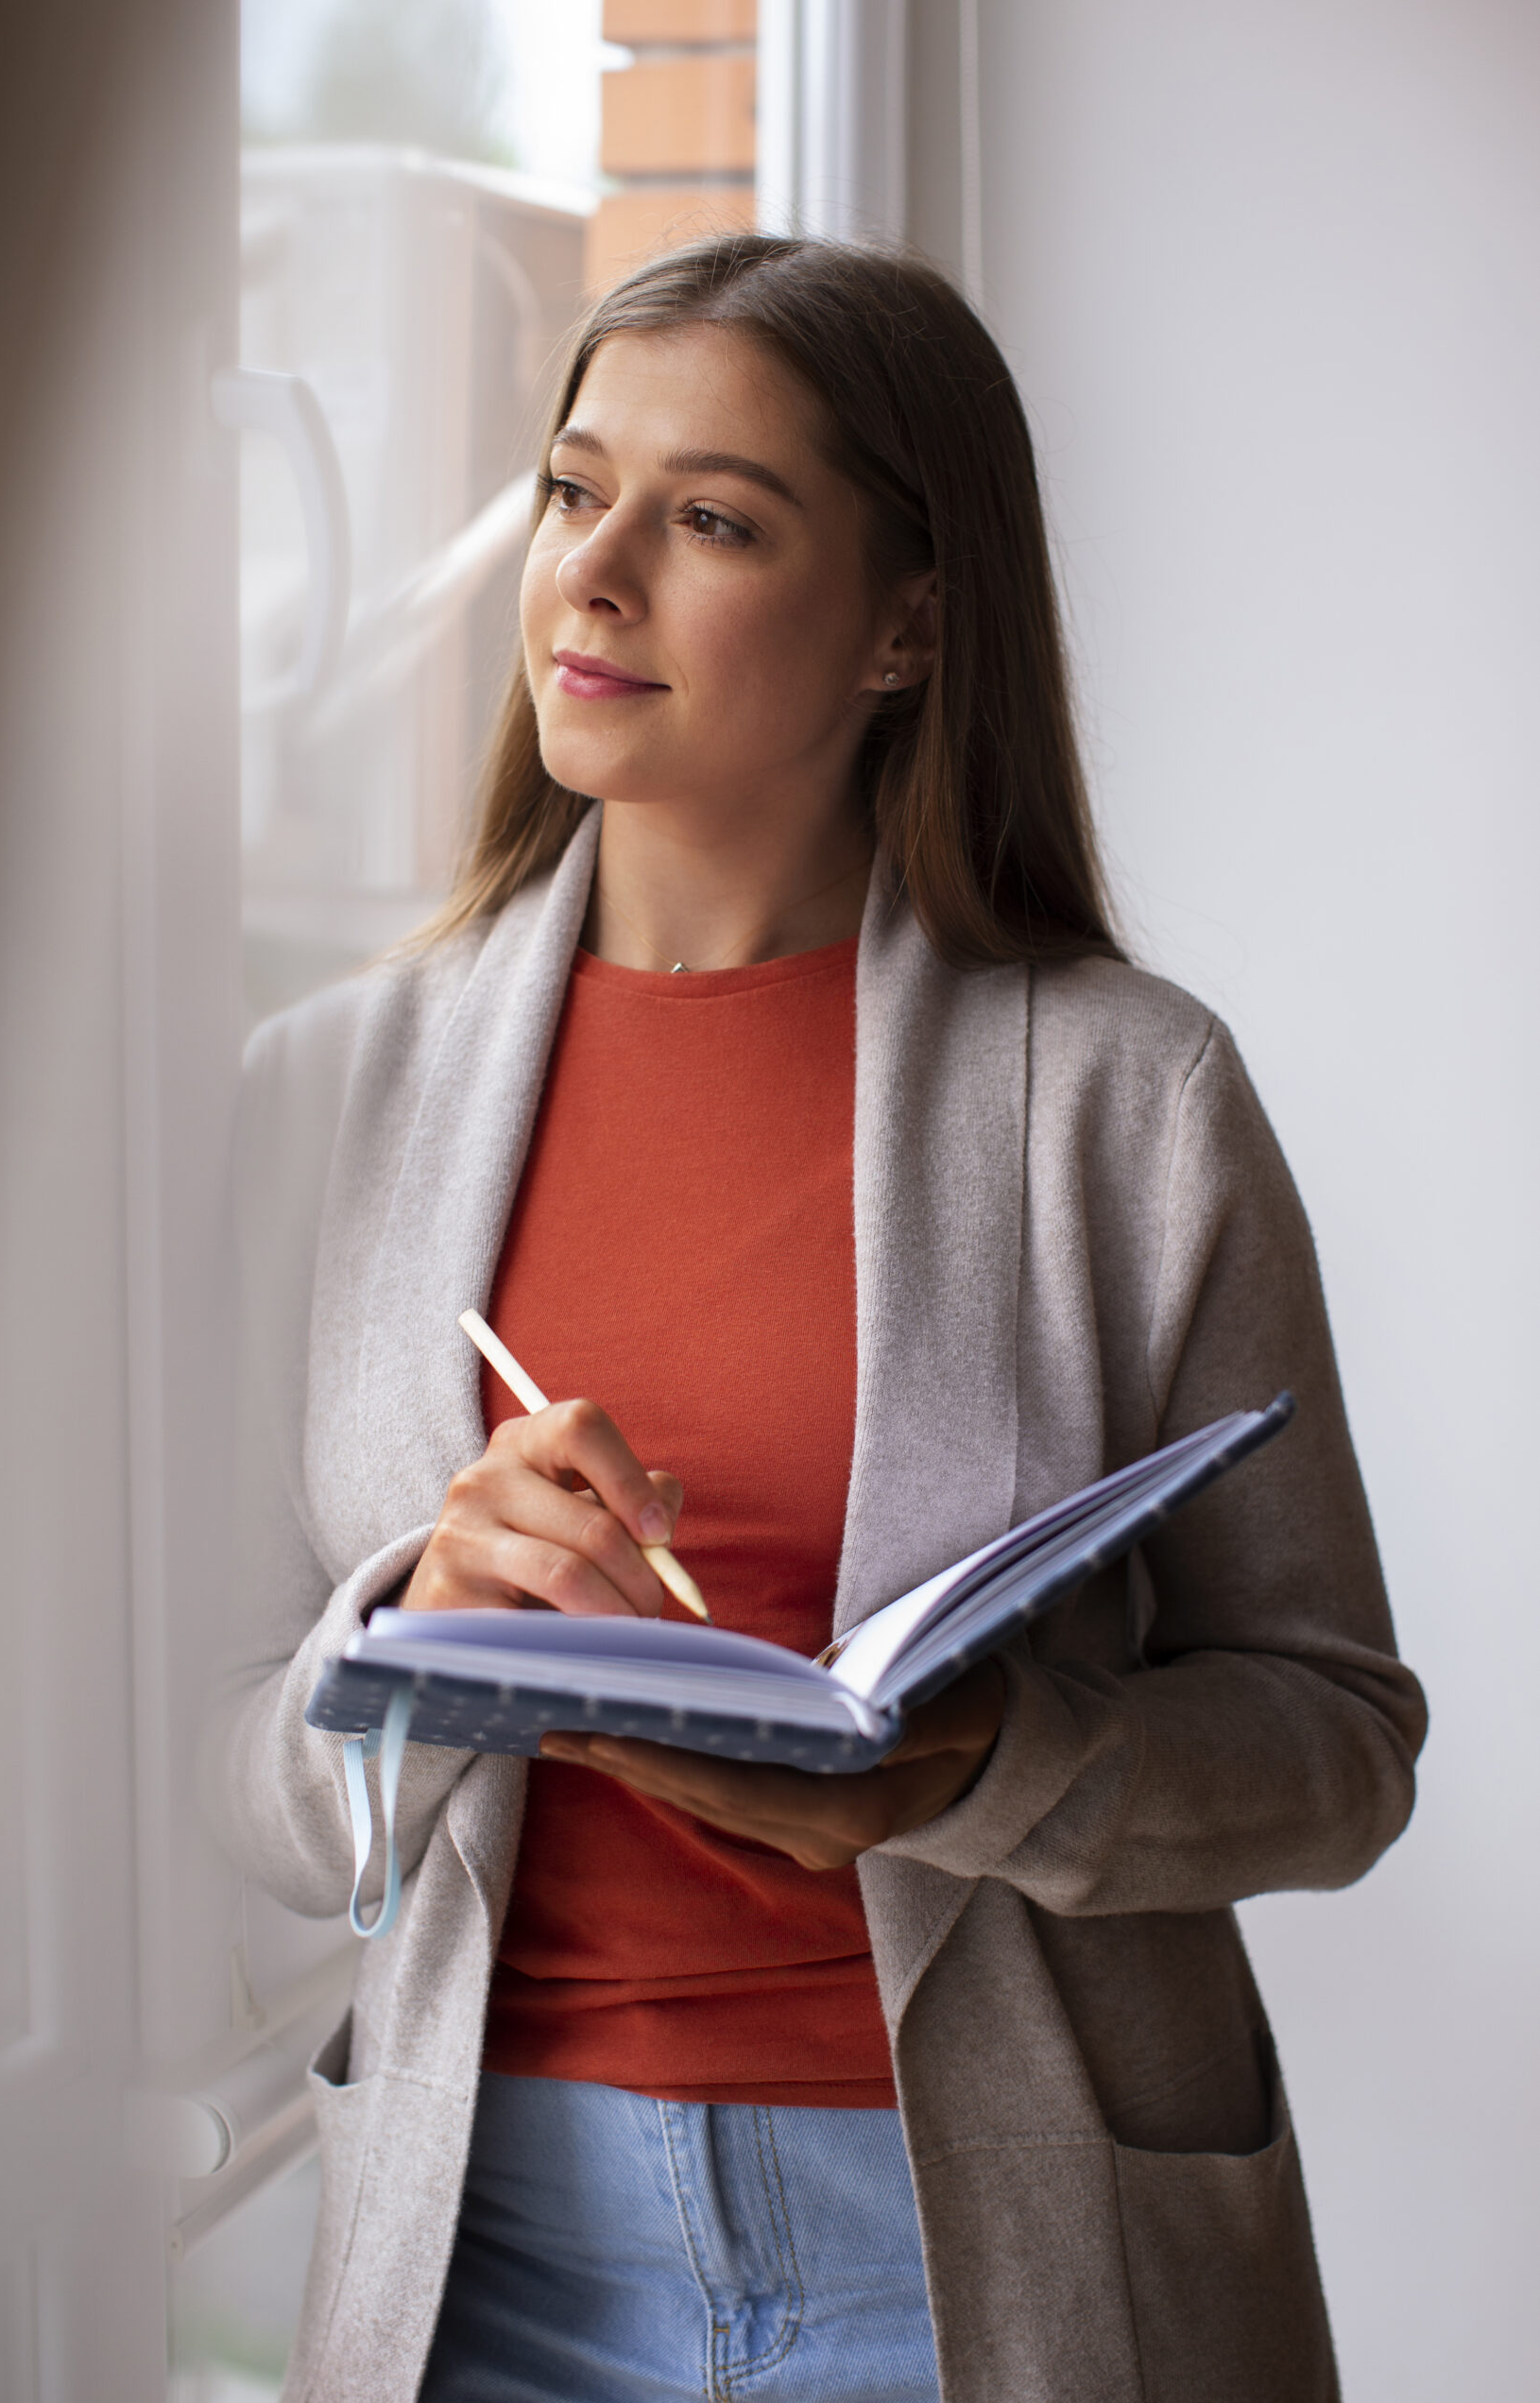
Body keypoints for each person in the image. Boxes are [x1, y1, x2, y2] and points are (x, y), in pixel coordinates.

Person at [210, 236, 1427, 2403]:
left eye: (709, 520)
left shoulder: (1127, 1096)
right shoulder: (324, 1095)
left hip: (988, 2253)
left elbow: (1336, 1746)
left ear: (909, 623)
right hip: (490, 2250)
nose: (591, 577)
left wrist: (977, 1766)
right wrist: (416, 1618)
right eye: (573, 490)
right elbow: (209, 1766)